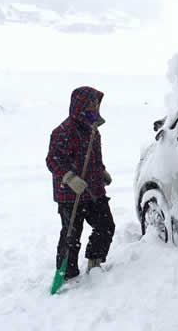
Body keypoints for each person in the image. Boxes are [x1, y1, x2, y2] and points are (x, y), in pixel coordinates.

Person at [46, 86, 115, 280]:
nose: (95, 106)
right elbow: (53, 160)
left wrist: (101, 171)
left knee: (106, 225)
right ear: (80, 105)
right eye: (91, 103)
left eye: (96, 103)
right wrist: (69, 178)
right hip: (70, 194)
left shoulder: (93, 130)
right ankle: (66, 273)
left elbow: (92, 157)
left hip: (93, 190)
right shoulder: (64, 131)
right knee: (71, 235)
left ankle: (95, 261)